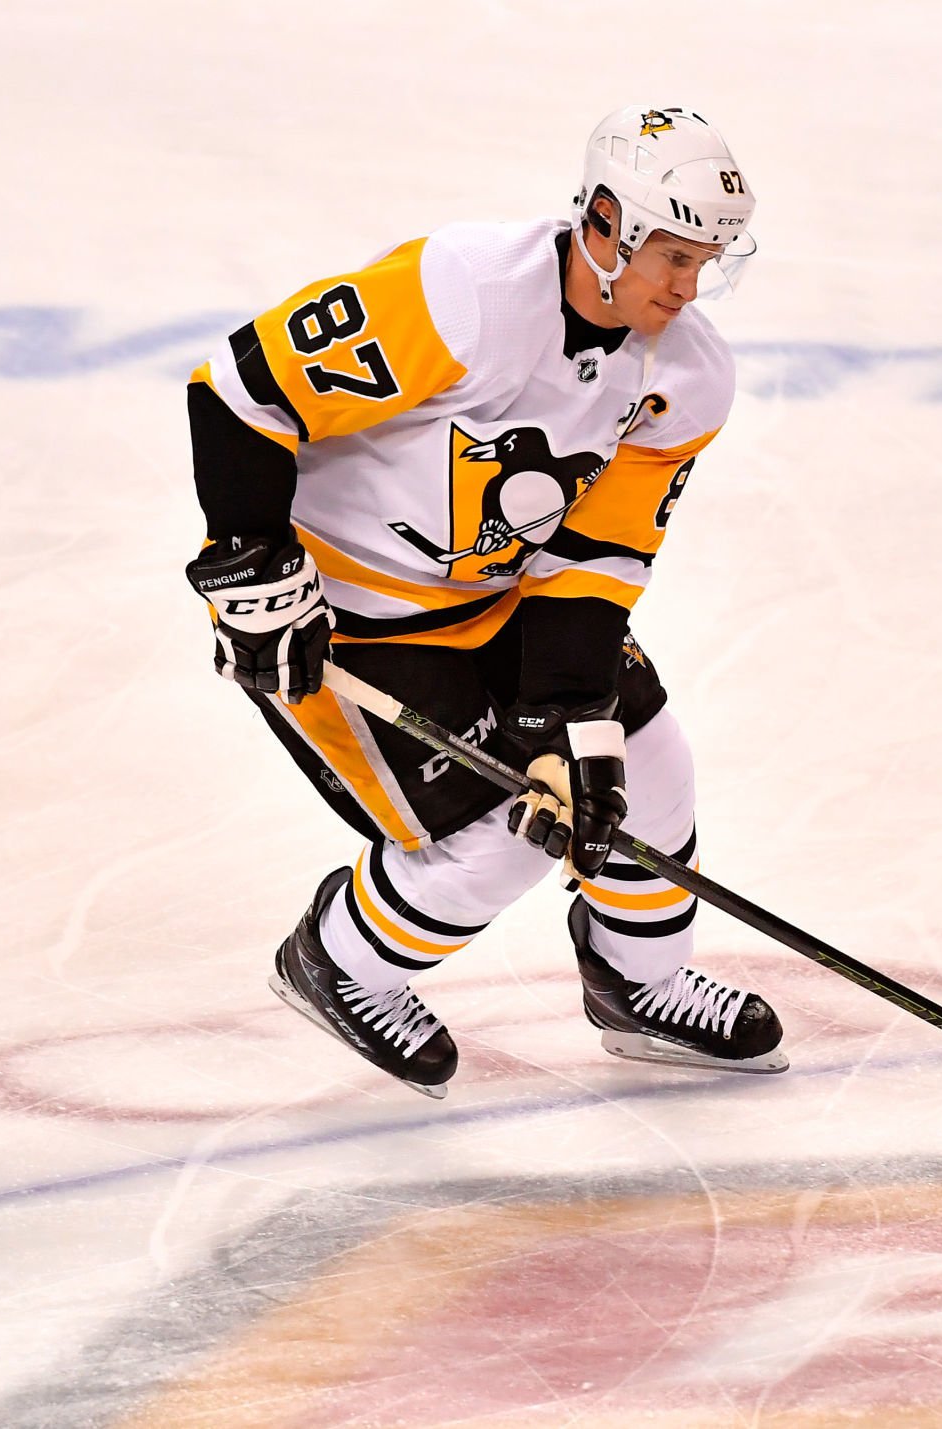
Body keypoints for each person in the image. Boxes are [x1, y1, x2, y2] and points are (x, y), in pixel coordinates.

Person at [182, 105, 783, 1098]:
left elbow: (598, 556)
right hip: (350, 612)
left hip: (499, 599)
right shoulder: (461, 295)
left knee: (641, 761)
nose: (688, 287)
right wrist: (250, 558)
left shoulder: (687, 378)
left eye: (705, 261)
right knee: (500, 836)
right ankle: (343, 960)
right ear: (603, 224)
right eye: (672, 256)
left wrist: (566, 711)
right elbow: (242, 394)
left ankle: (639, 976)